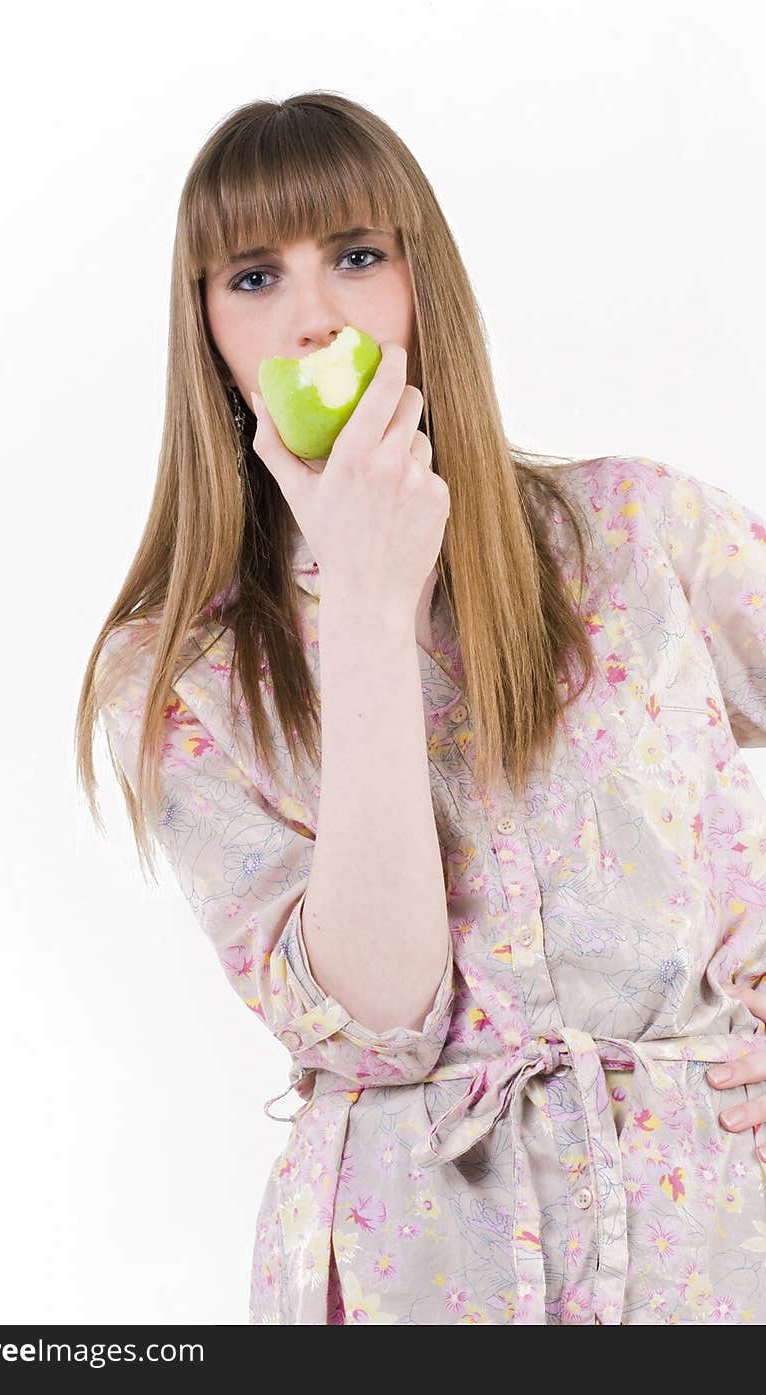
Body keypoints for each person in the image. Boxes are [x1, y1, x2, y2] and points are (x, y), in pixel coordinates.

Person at [75, 90, 766, 1325]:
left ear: (418, 283)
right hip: (418, 1279)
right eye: (252, 278)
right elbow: (383, 1019)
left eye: (354, 256)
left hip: (706, 1252)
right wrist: (368, 610)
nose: (312, 319)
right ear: (210, 340)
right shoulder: (182, 678)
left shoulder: (636, 531)